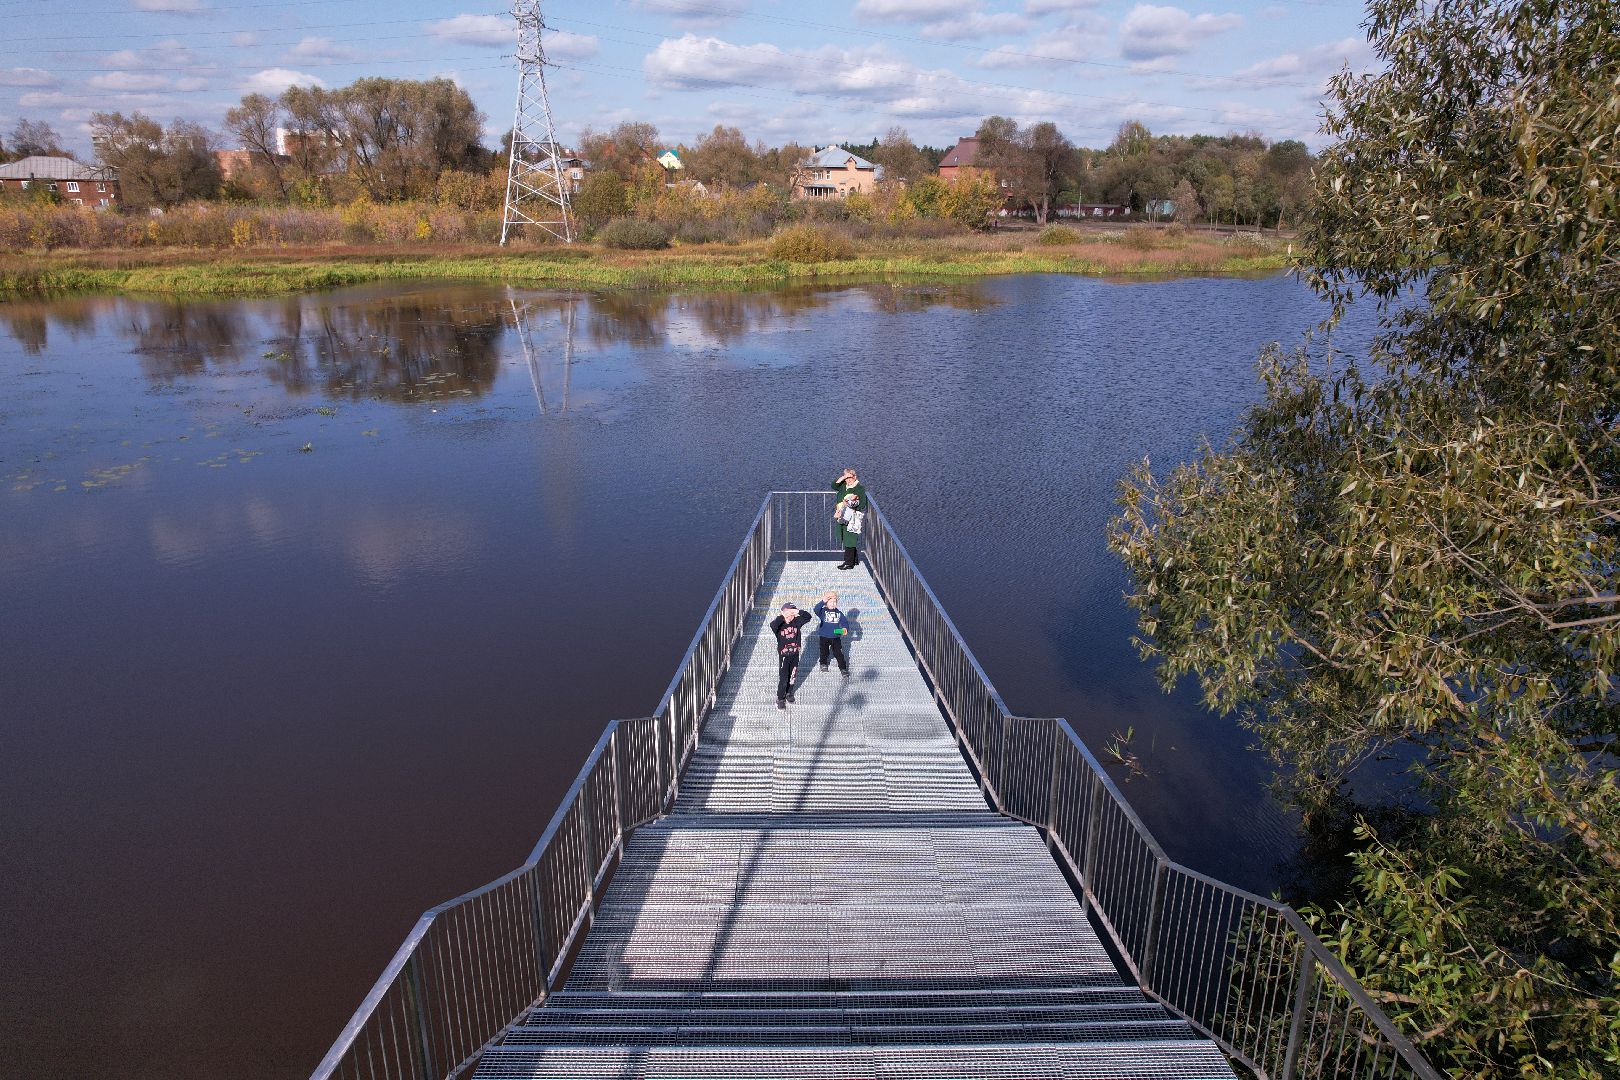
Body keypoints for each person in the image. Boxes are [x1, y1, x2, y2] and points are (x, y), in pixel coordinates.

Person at [768, 601, 811, 709]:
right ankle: (780, 698)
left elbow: (808, 617)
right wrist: (783, 616)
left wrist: (796, 611)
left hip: (795, 654)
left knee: (792, 676)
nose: (790, 616)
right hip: (784, 656)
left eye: (792, 614)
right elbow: (772, 625)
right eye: (788, 614)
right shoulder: (779, 625)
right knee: (784, 677)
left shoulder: (796, 622)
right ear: (782, 613)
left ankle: (789, 692)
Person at [813, 591, 851, 676]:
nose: (833, 604)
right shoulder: (823, 612)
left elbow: (844, 622)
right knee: (824, 652)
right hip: (824, 636)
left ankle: (843, 668)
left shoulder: (839, 613)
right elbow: (816, 609)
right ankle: (823, 663)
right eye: (830, 602)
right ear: (826, 603)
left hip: (835, 637)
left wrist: (845, 629)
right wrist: (822, 601)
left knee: (839, 653)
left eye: (834, 602)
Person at [834, 493, 865, 570]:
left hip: (849, 528)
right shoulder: (853, 507)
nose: (843, 502)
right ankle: (854, 561)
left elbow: (845, 521)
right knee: (852, 544)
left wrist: (837, 518)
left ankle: (848, 563)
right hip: (854, 528)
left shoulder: (848, 509)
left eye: (845, 500)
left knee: (849, 545)